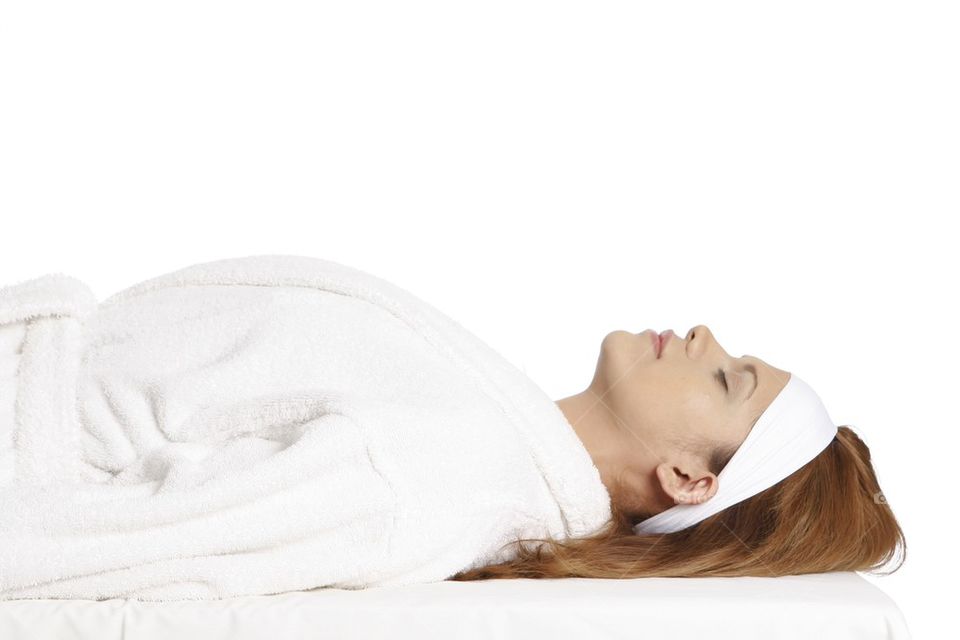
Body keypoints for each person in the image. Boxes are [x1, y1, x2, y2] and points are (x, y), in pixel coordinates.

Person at [450, 325, 906, 581]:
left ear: (686, 480)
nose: (702, 334)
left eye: (725, 380)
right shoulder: (482, 430)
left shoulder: (460, 489)